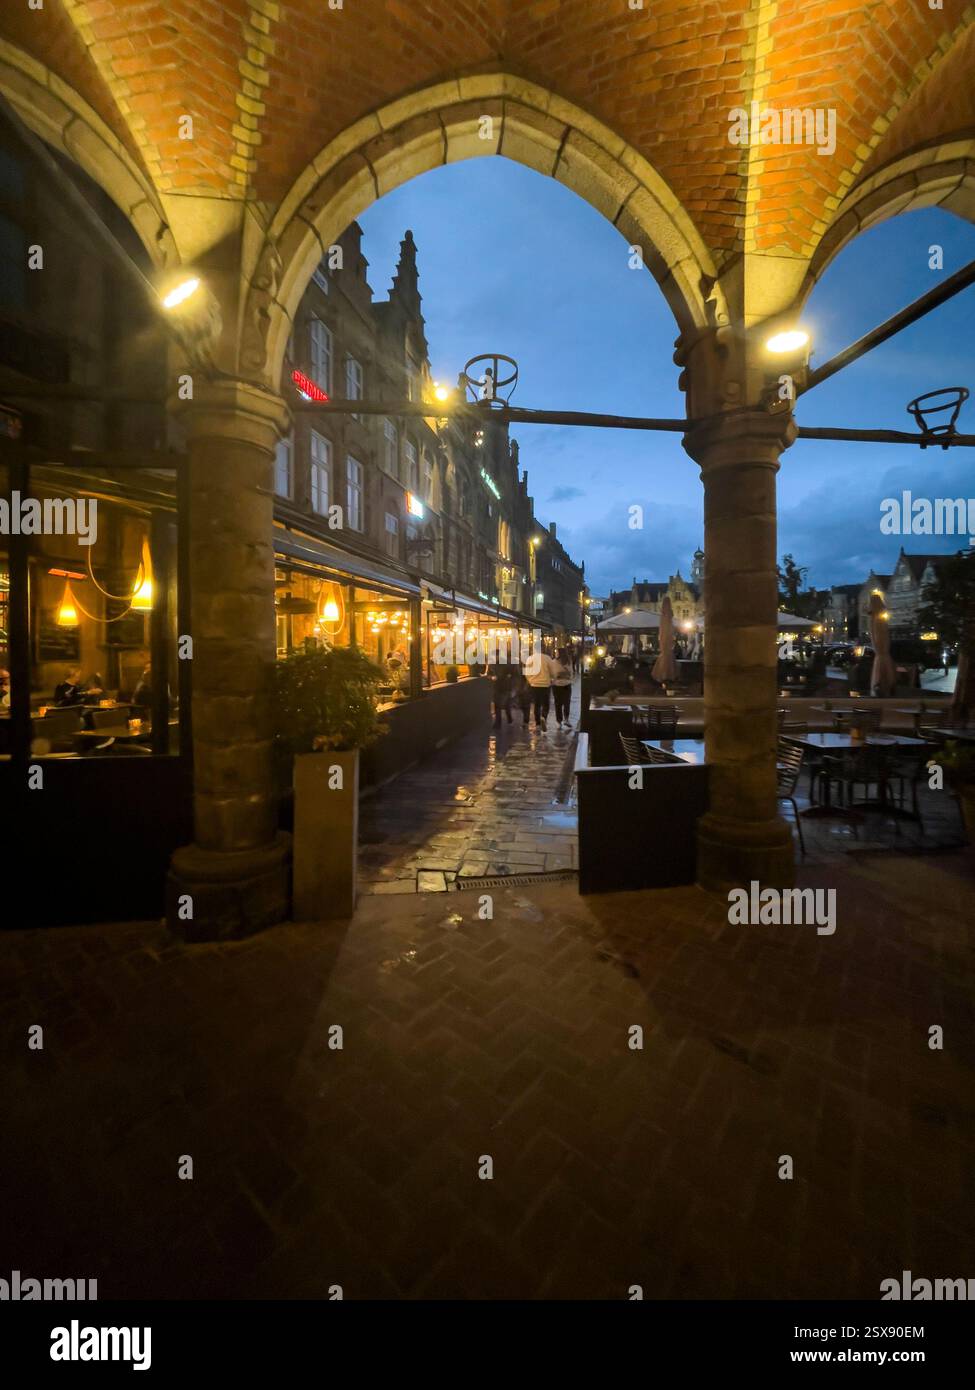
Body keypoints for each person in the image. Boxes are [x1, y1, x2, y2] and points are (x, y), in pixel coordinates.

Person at [526, 647, 555, 727]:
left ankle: (538, 722)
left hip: (534, 685)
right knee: (546, 704)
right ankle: (544, 717)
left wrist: (531, 681)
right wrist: (552, 678)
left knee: (537, 704)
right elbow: (552, 671)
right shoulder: (547, 658)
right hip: (545, 684)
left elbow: (527, 673)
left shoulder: (530, 659)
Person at [551, 646, 573, 728]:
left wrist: (560, 675)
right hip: (558, 685)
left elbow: (570, 674)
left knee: (565, 703)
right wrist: (560, 675)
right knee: (559, 703)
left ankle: (565, 720)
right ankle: (560, 721)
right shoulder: (553, 662)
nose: (556, 653)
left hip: (564, 685)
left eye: (557, 652)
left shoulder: (567, 662)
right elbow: (552, 674)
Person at [491, 662, 513, 727]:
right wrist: (492, 677)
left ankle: (509, 719)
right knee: (498, 705)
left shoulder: (505, 664)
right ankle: (499, 722)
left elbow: (510, 674)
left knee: (505, 704)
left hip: (504, 687)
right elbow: (488, 674)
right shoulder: (492, 664)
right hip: (497, 687)